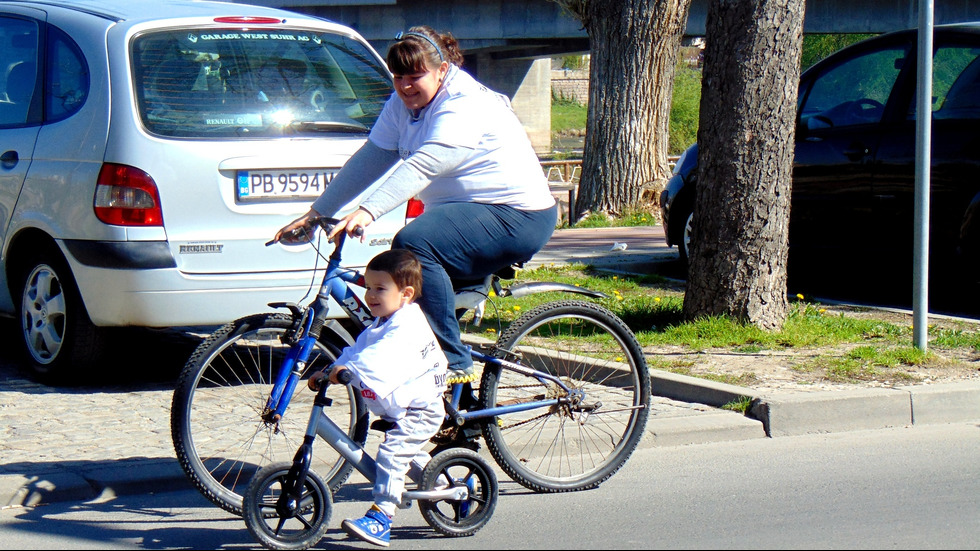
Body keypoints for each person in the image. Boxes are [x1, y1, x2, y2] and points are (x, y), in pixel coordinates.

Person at [277, 25, 558, 384]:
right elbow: (374, 156)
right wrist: (317, 212)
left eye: (415, 75)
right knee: (411, 294)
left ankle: (455, 363)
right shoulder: (403, 103)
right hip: (464, 215)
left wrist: (367, 210)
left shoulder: (464, 102)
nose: (405, 85)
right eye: (397, 77)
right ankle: (458, 412)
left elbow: (426, 162)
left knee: (415, 243)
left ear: (442, 70)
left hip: (517, 216)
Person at [307, 248, 447, 547]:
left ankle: (382, 517)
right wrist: (330, 369)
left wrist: (346, 371)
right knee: (406, 455)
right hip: (403, 408)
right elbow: (357, 351)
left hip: (420, 409)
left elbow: (378, 359)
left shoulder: (405, 326)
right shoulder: (382, 322)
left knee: (393, 453)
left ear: (406, 293)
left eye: (380, 288)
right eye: (368, 287)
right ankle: (447, 486)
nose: (370, 295)